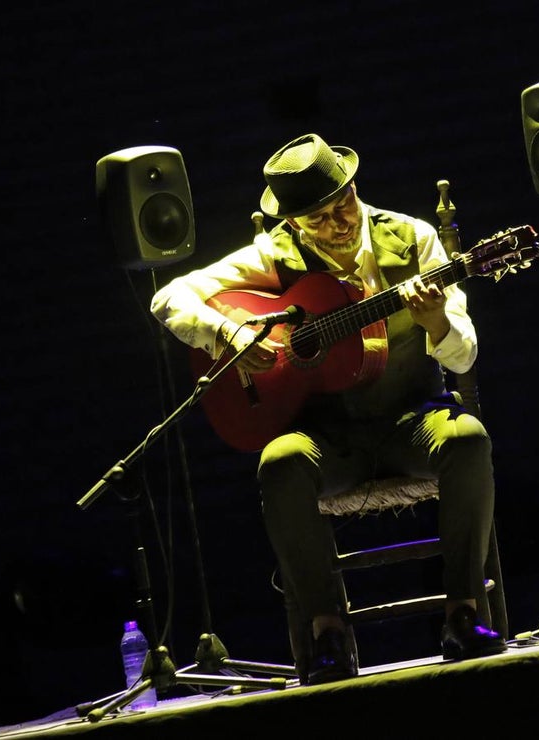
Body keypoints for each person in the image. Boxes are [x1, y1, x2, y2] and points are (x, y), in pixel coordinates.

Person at [150, 132, 506, 684]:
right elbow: (168, 297)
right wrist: (225, 333)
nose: (339, 224)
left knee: (469, 440)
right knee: (279, 464)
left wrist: (436, 320)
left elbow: (464, 354)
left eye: (344, 205)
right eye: (318, 219)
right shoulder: (272, 255)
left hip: (411, 419)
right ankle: (328, 634)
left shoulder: (413, 238)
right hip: (329, 437)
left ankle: (463, 613)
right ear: (293, 223)